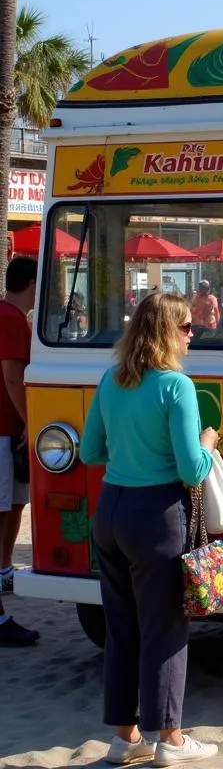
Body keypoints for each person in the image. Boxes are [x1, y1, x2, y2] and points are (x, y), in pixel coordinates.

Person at [80, 292, 219, 765]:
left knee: (122, 628)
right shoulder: (176, 387)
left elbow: (89, 452)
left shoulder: (112, 379)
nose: (191, 334)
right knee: (165, 631)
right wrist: (208, 442)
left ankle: (125, 737)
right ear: (167, 333)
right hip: (157, 514)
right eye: (185, 327)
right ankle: (171, 740)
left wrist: (129, 452)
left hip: (111, 510)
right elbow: (190, 468)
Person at [0, 256, 39, 646]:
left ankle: (4, 568)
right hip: (4, 429)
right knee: (3, 508)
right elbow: (13, 376)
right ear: (32, 282)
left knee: (14, 504)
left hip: (7, 430)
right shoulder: (11, 320)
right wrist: (30, 419)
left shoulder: (14, 318)